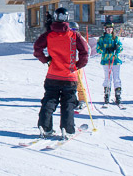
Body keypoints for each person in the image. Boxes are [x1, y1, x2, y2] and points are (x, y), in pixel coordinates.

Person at [33, 8, 90, 139]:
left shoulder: (48, 35)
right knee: (68, 103)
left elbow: (37, 48)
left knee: (49, 100)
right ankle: (68, 129)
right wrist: (78, 65)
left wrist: (45, 59)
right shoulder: (74, 35)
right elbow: (85, 51)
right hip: (69, 76)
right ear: (67, 18)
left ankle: (45, 126)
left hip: (53, 75)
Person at [96, 22, 124, 104]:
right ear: (105, 30)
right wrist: (105, 50)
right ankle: (107, 94)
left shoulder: (115, 38)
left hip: (115, 60)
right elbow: (98, 49)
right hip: (106, 60)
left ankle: (118, 95)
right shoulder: (101, 39)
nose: (109, 31)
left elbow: (121, 48)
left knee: (116, 77)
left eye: (110, 29)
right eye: (107, 29)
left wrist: (117, 48)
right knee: (107, 77)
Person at [69, 22, 89, 110]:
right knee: (69, 84)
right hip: (68, 65)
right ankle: (71, 101)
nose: (73, 31)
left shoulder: (80, 38)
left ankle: (82, 100)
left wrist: (81, 62)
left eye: (75, 30)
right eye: (71, 30)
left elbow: (87, 50)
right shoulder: (66, 38)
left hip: (76, 65)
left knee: (78, 83)